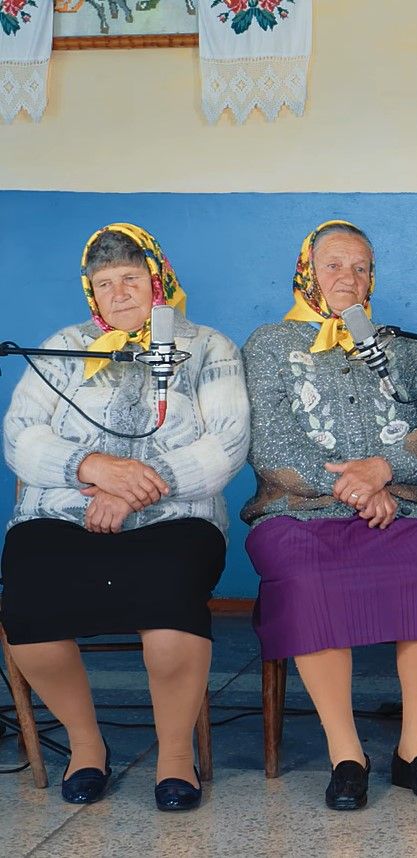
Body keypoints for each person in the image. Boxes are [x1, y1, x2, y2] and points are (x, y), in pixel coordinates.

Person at [1, 224, 249, 811]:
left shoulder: (208, 347)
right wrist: (92, 466)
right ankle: (88, 747)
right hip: (64, 512)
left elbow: (229, 442)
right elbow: (18, 436)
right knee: (29, 603)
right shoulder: (63, 346)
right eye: (104, 283)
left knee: (169, 607)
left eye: (131, 279)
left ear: (157, 280)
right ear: (91, 293)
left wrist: (133, 488)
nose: (118, 294)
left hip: (176, 515)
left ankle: (173, 756)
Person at [241, 220, 417, 809]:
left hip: (398, 505)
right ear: (307, 272)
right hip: (297, 512)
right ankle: (347, 753)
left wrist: (383, 470)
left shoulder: (401, 346)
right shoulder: (268, 344)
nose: (349, 278)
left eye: (361, 267)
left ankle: (415, 749)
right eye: (333, 265)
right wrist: (358, 489)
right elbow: (272, 448)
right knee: (309, 579)